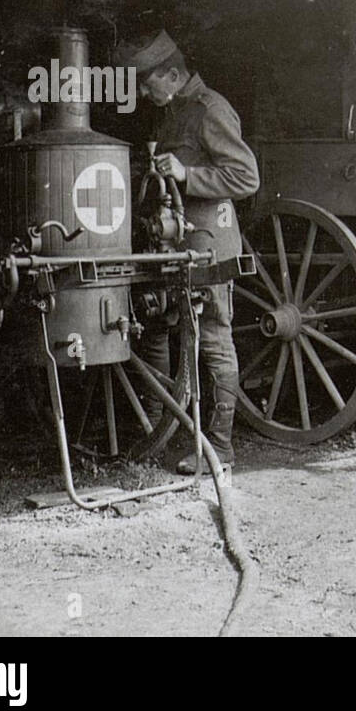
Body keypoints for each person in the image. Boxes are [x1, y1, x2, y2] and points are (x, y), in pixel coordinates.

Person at [120, 30, 260, 473]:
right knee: (159, 328)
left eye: (148, 83)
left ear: (175, 74)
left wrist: (186, 174)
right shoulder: (173, 112)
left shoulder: (210, 110)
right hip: (173, 241)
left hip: (208, 246)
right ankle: (158, 430)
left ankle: (219, 449)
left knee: (214, 339)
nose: (143, 93)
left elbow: (245, 178)